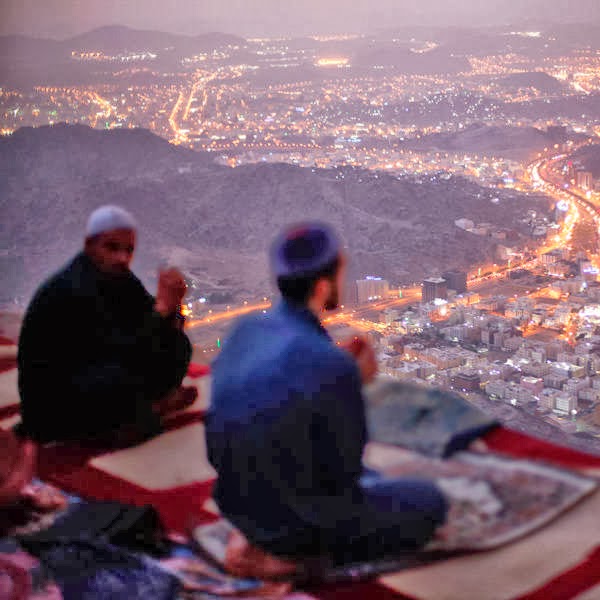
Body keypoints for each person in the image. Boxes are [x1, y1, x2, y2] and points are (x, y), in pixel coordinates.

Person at [206, 223, 447, 574]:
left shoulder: (244, 331)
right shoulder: (331, 364)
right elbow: (345, 469)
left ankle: (256, 537)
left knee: (363, 476)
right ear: (322, 285)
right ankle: (293, 560)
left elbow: (221, 438)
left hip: (235, 506)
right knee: (428, 502)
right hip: (299, 526)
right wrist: (353, 382)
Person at [17, 205, 194, 445]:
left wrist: (171, 310)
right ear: (91, 246)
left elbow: (146, 322)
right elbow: (123, 351)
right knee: (125, 373)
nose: (122, 257)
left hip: (103, 373)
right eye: (112, 247)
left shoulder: (121, 278)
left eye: (128, 250)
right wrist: (161, 312)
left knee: (179, 345)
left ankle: (146, 408)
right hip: (59, 404)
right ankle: (144, 413)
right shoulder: (72, 289)